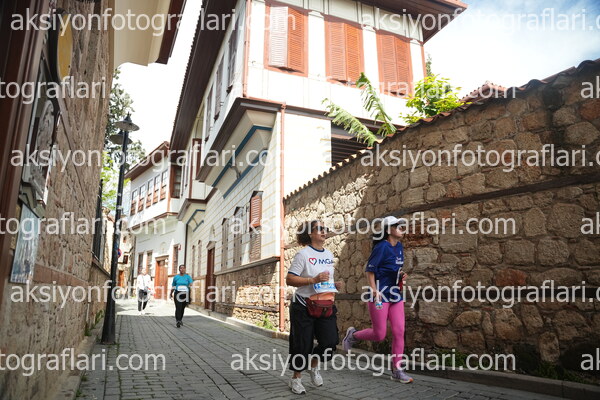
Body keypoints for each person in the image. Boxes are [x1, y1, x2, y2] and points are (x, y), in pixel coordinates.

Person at [342, 216, 413, 383]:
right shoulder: (381, 247)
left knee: (399, 331)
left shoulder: (399, 246)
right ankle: (353, 335)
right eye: (397, 226)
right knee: (379, 334)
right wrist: (374, 290)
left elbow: (393, 269)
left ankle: (397, 370)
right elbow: (370, 270)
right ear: (389, 230)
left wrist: (400, 275)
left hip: (395, 294)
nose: (401, 228)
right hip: (380, 295)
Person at [286, 220, 343, 394]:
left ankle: (313, 366)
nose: (324, 231)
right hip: (303, 306)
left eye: (325, 229)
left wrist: (334, 285)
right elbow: (290, 279)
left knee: (330, 342)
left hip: (325, 305)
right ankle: (296, 379)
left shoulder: (329, 254)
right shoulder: (303, 255)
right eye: (320, 229)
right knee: (302, 344)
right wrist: (313, 280)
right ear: (310, 233)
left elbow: (326, 279)